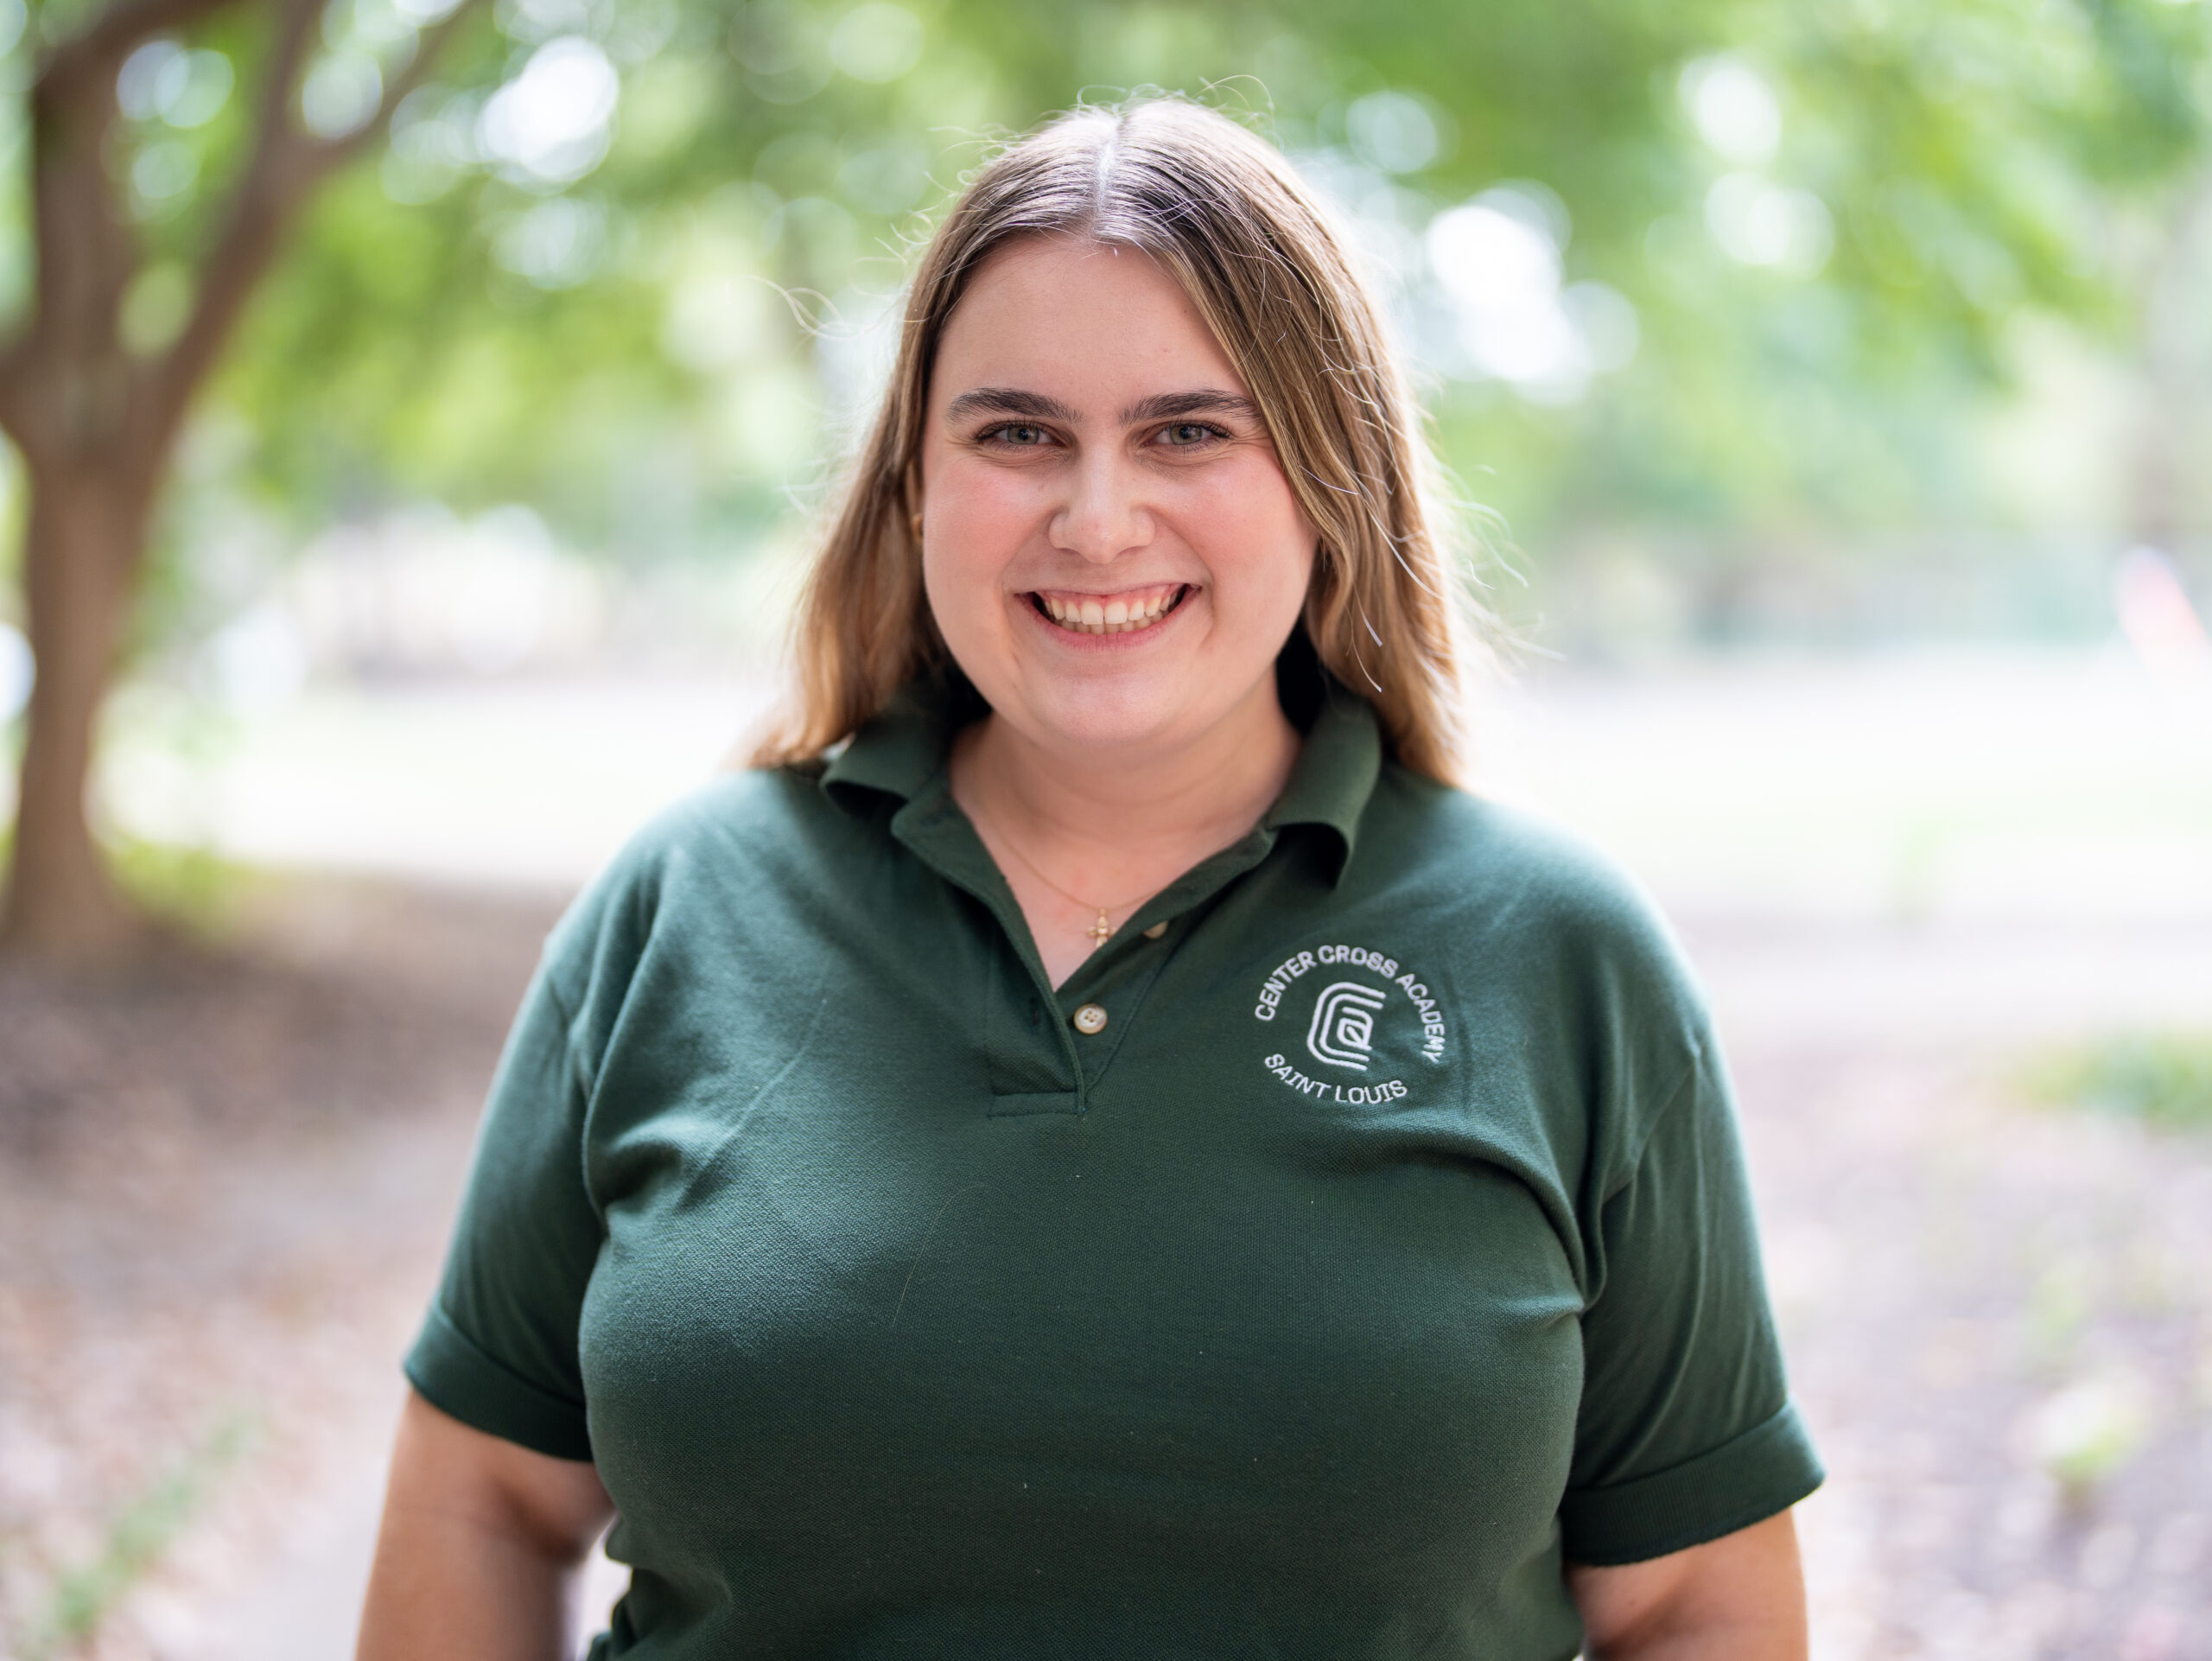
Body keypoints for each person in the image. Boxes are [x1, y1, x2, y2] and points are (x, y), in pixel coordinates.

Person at [357, 97, 1822, 1660]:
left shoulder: (1563, 956)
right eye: (1016, 432)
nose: (1097, 517)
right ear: (915, 480)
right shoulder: (682, 907)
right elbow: (484, 1500)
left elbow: (1693, 1603)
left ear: (1328, 476)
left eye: (1190, 430)